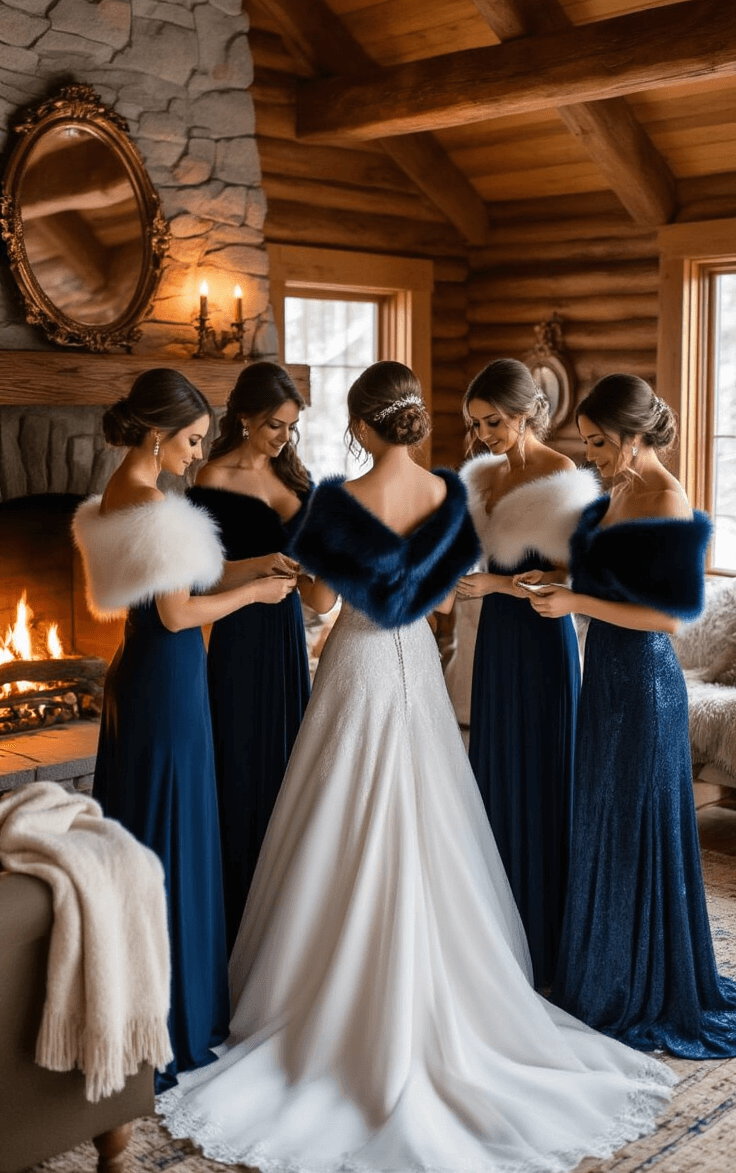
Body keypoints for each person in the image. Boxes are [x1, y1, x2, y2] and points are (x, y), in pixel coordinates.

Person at [157, 360, 675, 1173]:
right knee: (433, 819)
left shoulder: (333, 502)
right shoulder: (446, 494)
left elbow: (324, 605)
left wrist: (301, 578)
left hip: (357, 667)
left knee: (335, 817)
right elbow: (439, 602)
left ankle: (312, 1004)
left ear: (363, 428)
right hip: (415, 675)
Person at [72, 368, 297, 1090]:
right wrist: (258, 594)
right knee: (172, 841)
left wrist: (259, 564)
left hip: (141, 678)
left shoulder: (119, 492)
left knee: (146, 835)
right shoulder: (152, 503)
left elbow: (183, 583)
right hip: (169, 684)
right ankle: (171, 1023)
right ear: (158, 432)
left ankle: (137, 1009)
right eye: (194, 440)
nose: (199, 455)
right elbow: (176, 614)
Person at [526, 373, 736, 1057]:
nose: (588, 454)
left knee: (636, 829)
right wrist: (563, 586)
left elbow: (670, 615)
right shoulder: (618, 488)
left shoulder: (667, 500)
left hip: (645, 685)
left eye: (596, 442)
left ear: (634, 433)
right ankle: (606, 973)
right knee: (603, 823)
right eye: (585, 442)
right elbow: (612, 582)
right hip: (607, 682)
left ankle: (643, 986)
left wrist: (577, 605)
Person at [455, 358, 599, 987]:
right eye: (477, 424)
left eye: (494, 421)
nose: (485, 434)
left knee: (543, 773)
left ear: (525, 411)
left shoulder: (560, 471)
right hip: (497, 645)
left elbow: (572, 576)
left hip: (542, 639)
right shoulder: (482, 477)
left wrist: (498, 584)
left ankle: (548, 937)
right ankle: (499, 928)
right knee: (497, 769)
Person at [189, 361, 331, 951]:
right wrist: (260, 566)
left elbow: (321, 598)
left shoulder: (301, 484)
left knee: (286, 776)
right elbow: (197, 578)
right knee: (239, 772)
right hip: (236, 641)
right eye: (274, 425)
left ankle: (283, 928)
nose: (283, 437)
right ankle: (235, 926)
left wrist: (322, 564)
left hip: (285, 645)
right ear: (244, 417)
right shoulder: (209, 479)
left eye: (291, 427)